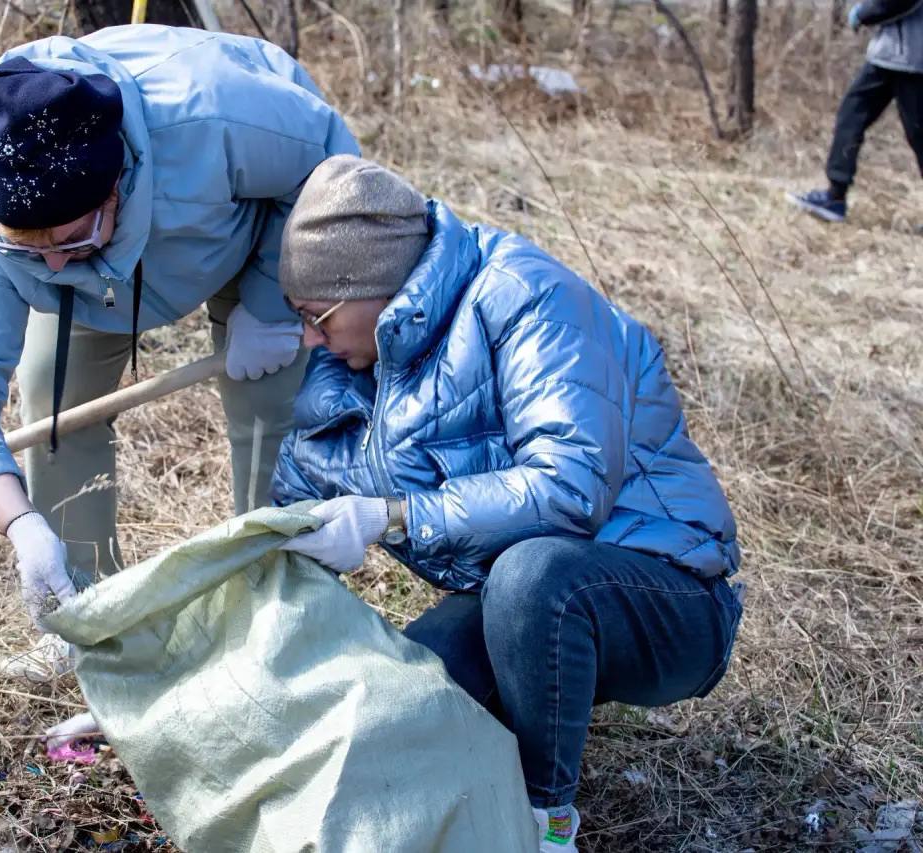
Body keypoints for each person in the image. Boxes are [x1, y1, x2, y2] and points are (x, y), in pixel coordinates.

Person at [270, 156, 744, 852]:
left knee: (532, 578)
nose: (310, 339)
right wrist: (169, 692)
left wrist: (391, 515)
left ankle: (541, 822)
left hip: (662, 594)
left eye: (317, 316)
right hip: (509, 601)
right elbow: (276, 547)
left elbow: (569, 484)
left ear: (375, 286)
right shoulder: (349, 364)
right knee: (396, 705)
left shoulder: (524, 295)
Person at [0, 25, 358, 676]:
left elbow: (331, 167)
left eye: (72, 235)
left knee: (268, 396)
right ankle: (91, 614)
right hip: (99, 293)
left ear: (118, 179)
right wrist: (21, 527)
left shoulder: (212, 113)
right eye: (27, 247)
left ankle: (282, 608)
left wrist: (268, 303)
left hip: (246, 226)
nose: (55, 260)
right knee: (52, 399)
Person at [788, 0, 922, 222]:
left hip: (912, 60)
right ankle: (835, 197)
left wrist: (864, 13)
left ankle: (835, 197)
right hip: (888, 56)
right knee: (850, 117)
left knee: (919, 135)